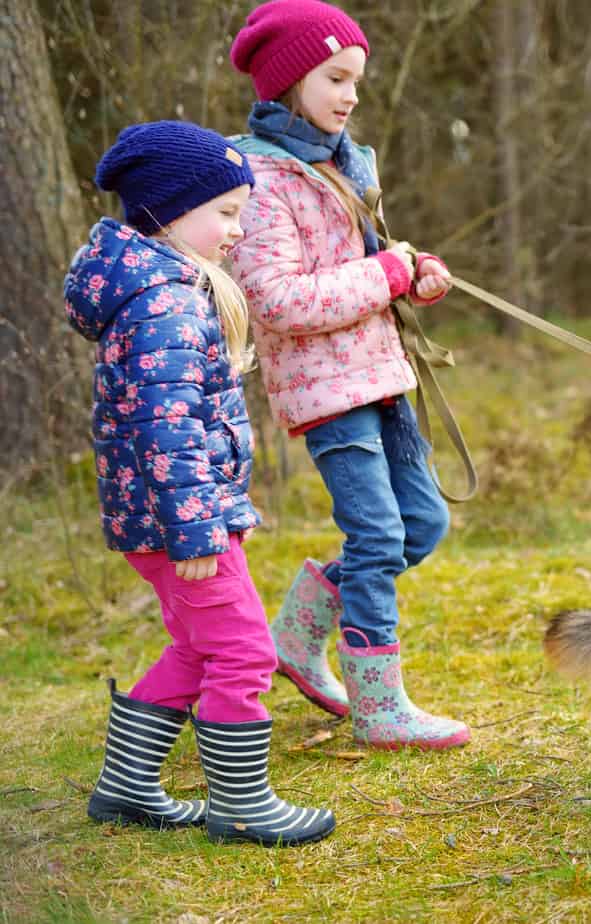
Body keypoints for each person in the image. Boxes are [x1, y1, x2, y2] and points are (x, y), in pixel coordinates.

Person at [65, 120, 335, 847]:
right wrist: (195, 531)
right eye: (226, 212)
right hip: (180, 520)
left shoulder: (161, 288)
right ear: (168, 210)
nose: (238, 230)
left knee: (198, 646)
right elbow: (168, 428)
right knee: (245, 649)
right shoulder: (166, 304)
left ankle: (125, 788)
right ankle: (243, 806)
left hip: (169, 518)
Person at [227, 0, 469, 750]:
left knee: (422, 524)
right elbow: (276, 300)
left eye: (356, 79)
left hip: (380, 374)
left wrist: (411, 272)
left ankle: (298, 633)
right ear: (289, 81)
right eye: (336, 77)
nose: (351, 94)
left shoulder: (348, 162)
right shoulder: (259, 180)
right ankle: (380, 706)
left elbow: (368, 266)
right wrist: (384, 273)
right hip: (325, 391)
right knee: (375, 534)